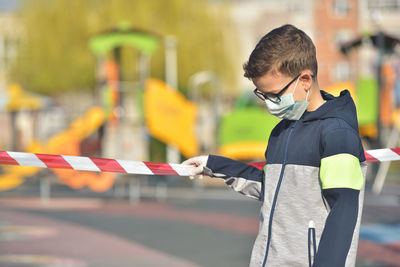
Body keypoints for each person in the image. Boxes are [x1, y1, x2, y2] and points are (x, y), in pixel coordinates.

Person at [182, 24, 366, 267]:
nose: (269, 104)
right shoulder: (281, 131)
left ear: (305, 80)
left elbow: (343, 210)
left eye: (275, 95)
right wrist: (213, 165)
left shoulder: (337, 134)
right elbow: (272, 189)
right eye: (263, 95)